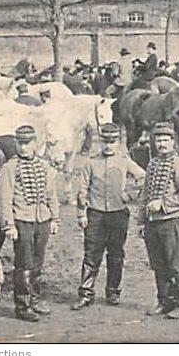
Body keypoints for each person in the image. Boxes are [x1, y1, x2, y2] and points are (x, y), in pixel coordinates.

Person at [71, 123, 146, 310]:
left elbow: (143, 178)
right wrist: (81, 213)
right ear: (101, 141)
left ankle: (113, 291)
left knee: (116, 254)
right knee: (91, 255)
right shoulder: (90, 162)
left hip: (118, 214)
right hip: (95, 214)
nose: (108, 145)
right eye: (105, 141)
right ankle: (86, 294)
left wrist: (130, 195)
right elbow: (81, 190)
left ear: (118, 142)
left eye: (112, 142)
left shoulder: (124, 161)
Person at [0, 125, 60, 322]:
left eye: (27, 143)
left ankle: (36, 299)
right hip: (22, 221)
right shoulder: (9, 168)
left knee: (37, 262)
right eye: (20, 143)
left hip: (42, 220)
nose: (23, 148)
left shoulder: (44, 166)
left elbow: (51, 194)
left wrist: (55, 218)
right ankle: (22, 306)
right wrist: (9, 225)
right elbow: (4, 199)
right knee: (24, 264)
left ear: (35, 143)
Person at [137, 122, 179, 319]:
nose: (161, 143)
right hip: (152, 223)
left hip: (172, 222)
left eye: (165, 139)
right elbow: (145, 194)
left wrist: (163, 204)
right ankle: (165, 301)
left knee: (177, 264)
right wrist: (141, 221)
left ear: (173, 142)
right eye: (158, 139)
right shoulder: (152, 164)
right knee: (158, 264)